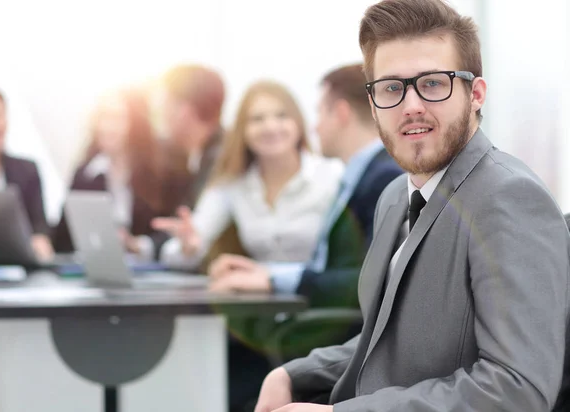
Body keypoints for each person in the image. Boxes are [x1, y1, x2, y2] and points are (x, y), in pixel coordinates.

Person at [254, 1, 570, 411]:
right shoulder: (395, 197)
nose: (411, 105)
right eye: (391, 88)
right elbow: (391, 345)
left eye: (433, 84)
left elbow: (517, 389)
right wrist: (294, 374)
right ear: (373, 105)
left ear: (475, 94)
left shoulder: (508, 199)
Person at [208, 64, 403, 311]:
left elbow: (369, 280)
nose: (314, 127)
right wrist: (266, 272)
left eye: (319, 114)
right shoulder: (361, 177)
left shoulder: (382, 179)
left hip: (343, 334)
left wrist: (271, 280)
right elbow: (333, 269)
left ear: (341, 113)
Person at [153, 80, 344, 271]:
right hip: (261, 295)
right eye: (257, 119)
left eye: (282, 116)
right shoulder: (233, 184)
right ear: (242, 130)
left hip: (323, 294)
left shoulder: (333, 176)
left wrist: (270, 276)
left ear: (298, 122)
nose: (270, 126)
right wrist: (189, 247)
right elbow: (180, 250)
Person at [52, 88, 167, 256]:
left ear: (135, 122)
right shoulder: (86, 175)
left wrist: (137, 245)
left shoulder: (158, 173)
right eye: (102, 117)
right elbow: (62, 238)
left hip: (149, 272)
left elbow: (170, 232)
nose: (106, 127)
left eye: (116, 118)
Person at [0, 82, 53, 261]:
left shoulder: (27, 171)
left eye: (3, 115)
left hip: (20, 271)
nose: (1, 125)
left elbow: (39, 226)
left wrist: (40, 241)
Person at [157, 64, 226, 214]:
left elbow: (193, 218)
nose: (161, 111)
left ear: (184, 110)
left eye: (165, 102)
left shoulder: (223, 157)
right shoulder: (191, 154)